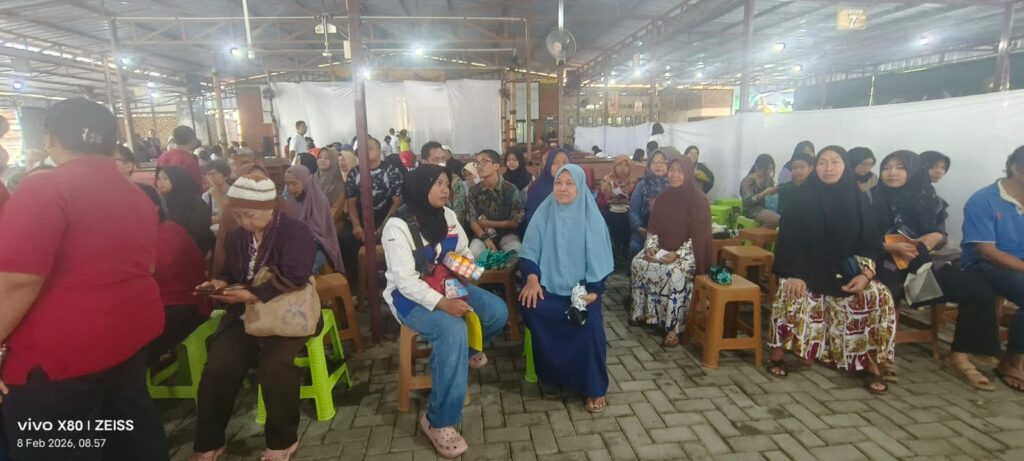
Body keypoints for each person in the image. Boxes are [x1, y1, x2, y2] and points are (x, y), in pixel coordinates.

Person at [0, 98, 168, 460]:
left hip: (58, 359)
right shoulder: (136, 194)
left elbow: (18, 280)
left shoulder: (45, 188)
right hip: (127, 338)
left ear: (49, 139)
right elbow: (148, 266)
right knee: (125, 440)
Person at [380, 165, 508, 458]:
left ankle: (459, 357)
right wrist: (443, 304)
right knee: (452, 330)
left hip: (448, 284)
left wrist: (466, 268)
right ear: (420, 186)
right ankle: (438, 421)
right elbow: (405, 281)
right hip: (410, 297)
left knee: (496, 311)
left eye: (447, 184)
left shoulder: (448, 216)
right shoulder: (397, 227)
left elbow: (462, 251)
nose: (444, 190)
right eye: (437, 183)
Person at [190, 175, 316, 461]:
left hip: (288, 314)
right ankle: (209, 441)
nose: (244, 221)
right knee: (219, 364)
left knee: (275, 366)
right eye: (237, 215)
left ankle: (283, 440)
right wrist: (220, 283)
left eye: (249, 214)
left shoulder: (295, 232)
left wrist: (251, 294)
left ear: (269, 207)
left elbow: (296, 275)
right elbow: (229, 272)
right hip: (246, 315)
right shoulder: (237, 236)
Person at [767, 146, 896, 394]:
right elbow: (789, 240)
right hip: (806, 271)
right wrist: (794, 274)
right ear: (816, 167)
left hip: (846, 273)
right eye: (823, 162)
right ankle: (778, 352)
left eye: (835, 162)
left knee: (878, 295)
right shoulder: (802, 198)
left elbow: (871, 242)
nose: (828, 168)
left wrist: (866, 275)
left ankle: (869, 362)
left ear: (845, 166)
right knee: (789, 292)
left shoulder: (858, 199)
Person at [871, 150, 1001, 390]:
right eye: (886, 167)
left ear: (914, 171)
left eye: (900, 167)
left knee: (977, 289)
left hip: (923, 261)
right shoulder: (870, 199)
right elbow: (856, 235)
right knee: (886, 290)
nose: (892, 173)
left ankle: (961, 355)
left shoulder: (930, 201)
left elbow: (941, 235)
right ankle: (880, 354)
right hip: (883, 260)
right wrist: (889, 246)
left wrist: (935, 239)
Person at [518, 164, 614, 413]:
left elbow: (600, 261)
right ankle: (554, 374)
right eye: (559, 183)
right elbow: (530, 250)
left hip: (582, 289)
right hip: (547, 285)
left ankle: (594, 387)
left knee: (590, 326)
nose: (562, 188)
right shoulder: (545, 210)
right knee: (531, 305)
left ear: (580, 187)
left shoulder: (591, 216)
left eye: (570, 183)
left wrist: (594, 291)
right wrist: (532, 278)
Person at [961, 146, 1024, 393]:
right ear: (1016, 168)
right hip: (984, 265)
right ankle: (1012, 361)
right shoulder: (984, 200)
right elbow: (987, 251)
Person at [630, 157, 712, 346]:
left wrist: (678, 254)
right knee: (638, 262)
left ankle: (674, 328)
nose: (675, 175)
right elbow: (653, 228)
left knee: (675, 272)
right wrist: (651, 247)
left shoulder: (699, 200)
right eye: (672, 170)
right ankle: (648, 315)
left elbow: (699, 237)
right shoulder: (664, 198)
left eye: (680, 171)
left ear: (688, 173)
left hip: (690, 252)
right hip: (662, 249)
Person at [136, 183, 209, 364]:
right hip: (157, 304)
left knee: (130, 351)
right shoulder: (141, 234)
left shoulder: (168, 231)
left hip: (185, 305)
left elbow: (148, 269)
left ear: (154, 208)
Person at [339, 137, 404, 279]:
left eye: (369, 148)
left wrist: (382, 228)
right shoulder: (354, 173)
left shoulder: (392, 171)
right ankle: (360, 278)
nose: (365, 152)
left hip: (388, 219)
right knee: (344, 238)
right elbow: (351, 202)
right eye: (362, 149)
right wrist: (356, 225)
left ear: (380, 150)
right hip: (362, 220)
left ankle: (391, 276)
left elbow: (397, 203)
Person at [284, 165, 344, 275]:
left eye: (294, 183)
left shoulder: (319, 200)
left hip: (319, 245)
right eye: (287, 184)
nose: (290, 189)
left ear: (305, 182)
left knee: (305, 264)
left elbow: (319, 233)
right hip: (296, 243)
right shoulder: (290, 200)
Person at [466, 149, 524, 257]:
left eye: (484, 162)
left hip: (507, 235)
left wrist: (488, 223)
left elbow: (516, 221)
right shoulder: (474, 191)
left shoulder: (510, 189)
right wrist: (486, 239)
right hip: (482, 235)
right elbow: (473, 221)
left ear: (496, 166)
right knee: (474, 252)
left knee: (516, 252)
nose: (479, 166)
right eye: (477, 163)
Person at [629, 147, 680, 255]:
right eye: (655, 162)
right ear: (649, 165)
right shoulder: (642, 185)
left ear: (668, 165)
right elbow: (633, 211)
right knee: (634, 247)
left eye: (662, 162)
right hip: (644, 229)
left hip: (668, 232)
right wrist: (638, 228)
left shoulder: (673, 185)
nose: (658, 165)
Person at [158, 165, 216, 256]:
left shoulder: (195, 203)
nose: (160, 182)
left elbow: (199, 232)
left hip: (193, 250)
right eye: (159, 178)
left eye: (165, 178)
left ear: (177, 179)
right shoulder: (161, 201)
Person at [522, 148, 570, 235]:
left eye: (565, 162)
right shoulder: (537, 188)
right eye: (555, 162)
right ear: (548, 165)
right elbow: (533, 221)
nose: (561, 166)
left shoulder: (578, 186)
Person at [599, 155, 637, 264]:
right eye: (619, 165)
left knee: (626, 218)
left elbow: (636, 201)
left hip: (627, 210)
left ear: (630, 167)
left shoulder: (633, 182)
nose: (622, 168)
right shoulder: (607, 180)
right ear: (614, 166)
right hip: (609, 210)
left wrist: (627, 201)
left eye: (626, 165)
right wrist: (608, 198)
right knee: (615, 217)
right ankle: (617, 247)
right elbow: (599, 202)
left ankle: (623, 247)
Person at [740, 153, 780, 228]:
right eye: (766, 169)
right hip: (752, 210)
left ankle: (764, 233)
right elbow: (747, 202)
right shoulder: (748, 181)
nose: (769, 172)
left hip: (765, 207)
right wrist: (764, 193)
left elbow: (769, 196)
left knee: (787, 217)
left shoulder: (768, 179)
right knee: (776, 220)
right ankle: (756, 234)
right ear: (757, 167)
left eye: (771, 169)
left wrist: (774, 191)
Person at [777, 151, 814, 216]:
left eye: (802, 167)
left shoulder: (816, 187)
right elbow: (781, 211)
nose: (798, 171)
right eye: (794, 168)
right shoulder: (785, 188)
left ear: (811, 168)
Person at [202, 159, 232, 232]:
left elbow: (230, 217)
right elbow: (204, 220)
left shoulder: (234, 192)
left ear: (226, 176)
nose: (211, 177)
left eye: (214, 173)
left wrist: (217, 196)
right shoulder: (206, 196)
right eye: (208, 174)